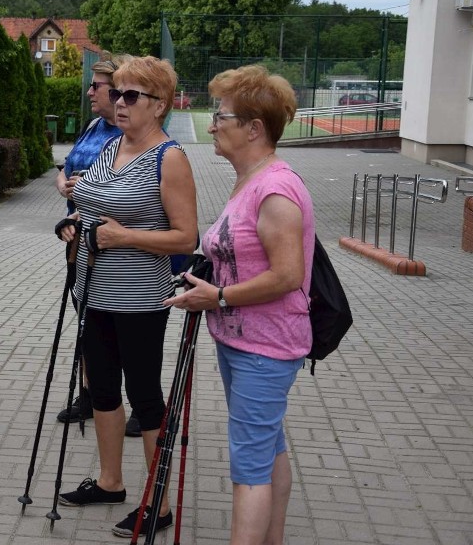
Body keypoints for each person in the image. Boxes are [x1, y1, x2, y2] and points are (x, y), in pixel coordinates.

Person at [164, 65, 314, 545]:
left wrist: (220, 296)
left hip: (265, 347)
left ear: (254, 128)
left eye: (220, 116)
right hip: (243, 340)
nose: (211, 125)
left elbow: (288, 275)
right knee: (268, 447)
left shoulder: (275, 189)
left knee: (249, 465)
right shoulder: (250, 179)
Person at [55, 56, 198, 539]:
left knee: (144, 395)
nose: (119, 102)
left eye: (131, 95)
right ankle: (111, 481)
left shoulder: (169, 157)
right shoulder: (111, 146)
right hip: (93, 287)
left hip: (139, 297)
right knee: (101, 390)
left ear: (159, 105)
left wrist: (128, 238)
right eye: (116, 93)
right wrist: (75, 224)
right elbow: (89, 202)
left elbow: (185, 238)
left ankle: (156, 503)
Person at [53, 53, 142, 438]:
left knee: (127, 332)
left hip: (119, 248)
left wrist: (88, 190)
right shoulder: (93, 126)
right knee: (88, 323)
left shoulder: (128, 134)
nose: (90, 91)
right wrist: (63, 185)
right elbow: (65, 168)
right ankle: (92, 395)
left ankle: (141, 404)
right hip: (80, 238)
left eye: (97, 86)